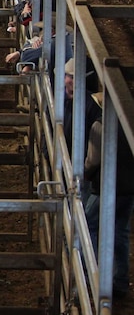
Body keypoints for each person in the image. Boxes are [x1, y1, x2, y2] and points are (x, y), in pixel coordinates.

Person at [84, 95, 134, 300]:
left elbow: (93, 160)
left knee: (89, 224)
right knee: (120, 231)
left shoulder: (101, 124)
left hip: (106, 186)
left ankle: (94, 275)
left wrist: (84, 174)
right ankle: (120, 281)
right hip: (128, 189)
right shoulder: (130, 123)